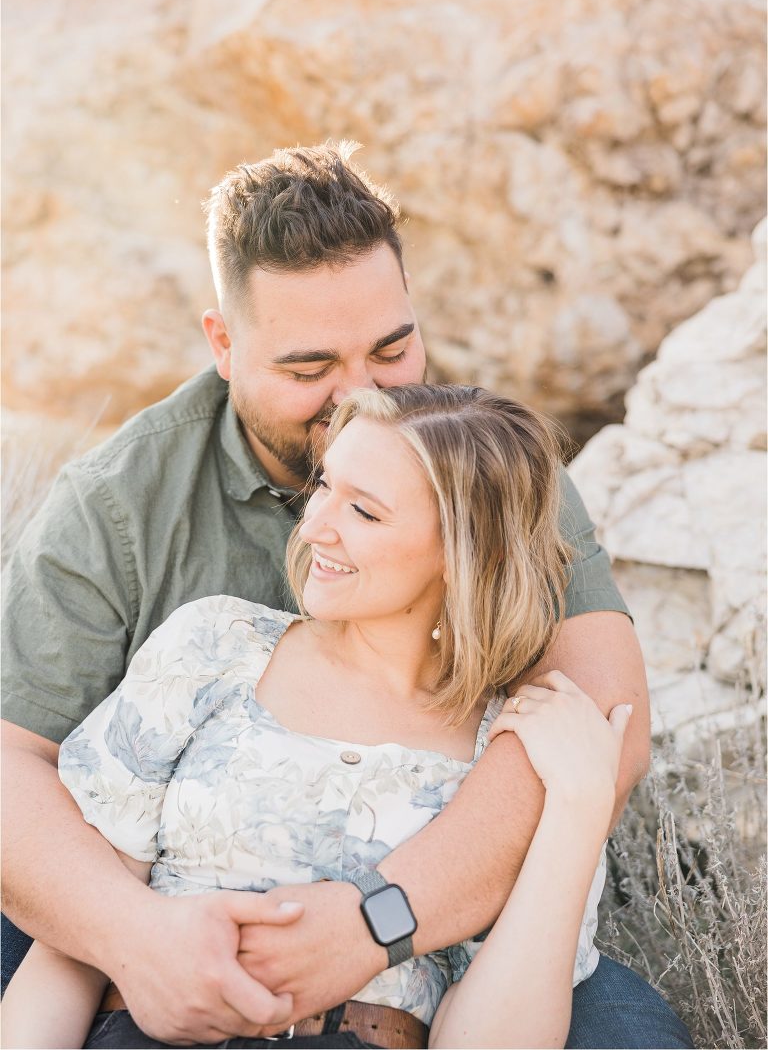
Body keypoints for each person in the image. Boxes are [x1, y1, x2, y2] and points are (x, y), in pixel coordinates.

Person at [1, 142, 691, 1048]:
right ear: (224, 345)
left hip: (442, 918)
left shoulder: (481, 472)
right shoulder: (120, 504)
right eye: (308, 367)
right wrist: (138, 941)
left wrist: (376, 920)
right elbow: (15, 765)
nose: (360, 395)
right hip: (163, 884)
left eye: (392, 347)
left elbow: (609, 723)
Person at [4, 383, 634, 1049]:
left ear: (470, 550)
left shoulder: (515, 748)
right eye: (325, 486)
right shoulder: (214, 646)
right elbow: (66, 950)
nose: (314, 526)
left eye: (363, 510)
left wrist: (580, 808)